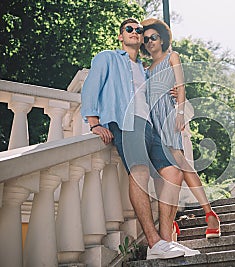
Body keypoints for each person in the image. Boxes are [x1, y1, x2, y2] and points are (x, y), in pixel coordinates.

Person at [80, 18, 195, 259]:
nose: (135, 32)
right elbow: (91, 87)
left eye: (139, 30)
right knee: (140, 172)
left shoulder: (145, 70)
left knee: (174, 173)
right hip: (126, 122)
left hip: (149, 127)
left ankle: (166, 240)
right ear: (121, 36)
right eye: (129, 29)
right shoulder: (108, 58)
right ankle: (153, 243)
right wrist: (94, 123)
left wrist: (174, 94)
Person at [140, 18, 221, 239]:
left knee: (181, 163)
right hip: (151, 121)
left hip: (168, 116)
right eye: (145, 39)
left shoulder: (171, 57)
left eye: (153, 37)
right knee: (161, 174)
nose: (149, 42)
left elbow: (181, 85)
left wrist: (180, 112)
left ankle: (209, 214)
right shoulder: (146, 69)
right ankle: (171, 223)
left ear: (162, 38)